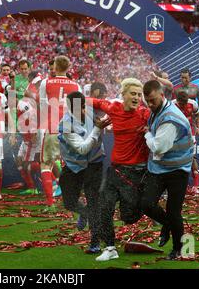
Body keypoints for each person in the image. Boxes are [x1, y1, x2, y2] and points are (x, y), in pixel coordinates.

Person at [90, 78, 150, 261]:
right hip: (115, 171)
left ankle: (146, 203)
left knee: (129, 217)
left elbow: (165, 117)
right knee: (103, 208)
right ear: (123, 95)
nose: (137, 97)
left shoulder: (145, 114)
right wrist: (77, 107)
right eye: (133, 93)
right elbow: (91, 101)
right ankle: (110, 248)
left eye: (139, 95)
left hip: (136, 174)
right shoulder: (114, 108)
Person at [141, 80, 194, 260]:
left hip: (178, 170)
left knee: (173, 211)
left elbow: (158, 147)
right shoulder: (158, 109)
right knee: (146, 204)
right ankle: (168, 225)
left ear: (162, 96)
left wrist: (147, 133)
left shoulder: (170, 118)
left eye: (152, 101)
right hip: (160, 167)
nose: (149, 104)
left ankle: (178, 249)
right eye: (147, 100)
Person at [59, 91, 111, 254]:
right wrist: (97, 129)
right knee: (69, 202)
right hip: (74, 165)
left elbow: (113, 106)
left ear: (84, 105)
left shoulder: (92, 111)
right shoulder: (65, 124)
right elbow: (82, 149)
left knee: (94, 201)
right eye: (72, 108)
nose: (78, 111)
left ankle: (95, 242)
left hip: (94, 164)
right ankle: (84, 212)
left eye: (81, 107)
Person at [39, 55, 82, 211]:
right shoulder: (76, 86)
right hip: (69, 129)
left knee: (46, 164)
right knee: (69, 165)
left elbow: (43, 105)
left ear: (55, 67)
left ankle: (50, 204)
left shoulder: (46, 82)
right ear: (68, 68)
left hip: (52, 127)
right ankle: (71, 201)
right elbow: (78, 112)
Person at [172, 91, 199, 193]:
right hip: (176, 135)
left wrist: (197, 126)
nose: (183, 105)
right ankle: (175, 186)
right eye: (181, 103)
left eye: (184, 103)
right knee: (175, 158)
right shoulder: (172, 104)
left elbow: (197, 114)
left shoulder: (193, 104)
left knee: (192, 157)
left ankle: (196, 186)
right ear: (177, 100)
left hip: (190, 133)